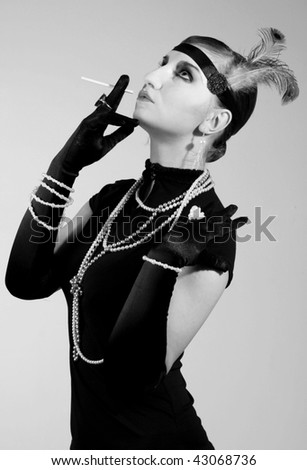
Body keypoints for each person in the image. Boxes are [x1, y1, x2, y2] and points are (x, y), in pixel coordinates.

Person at [5, 28, 298, 450]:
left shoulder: (209, 232)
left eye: (183, 74)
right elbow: (25, 281)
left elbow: (129, 376)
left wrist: (167, 257)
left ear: (213, 121)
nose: (153, 76)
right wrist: (65, 166)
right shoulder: (112, 199)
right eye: (162, 62)